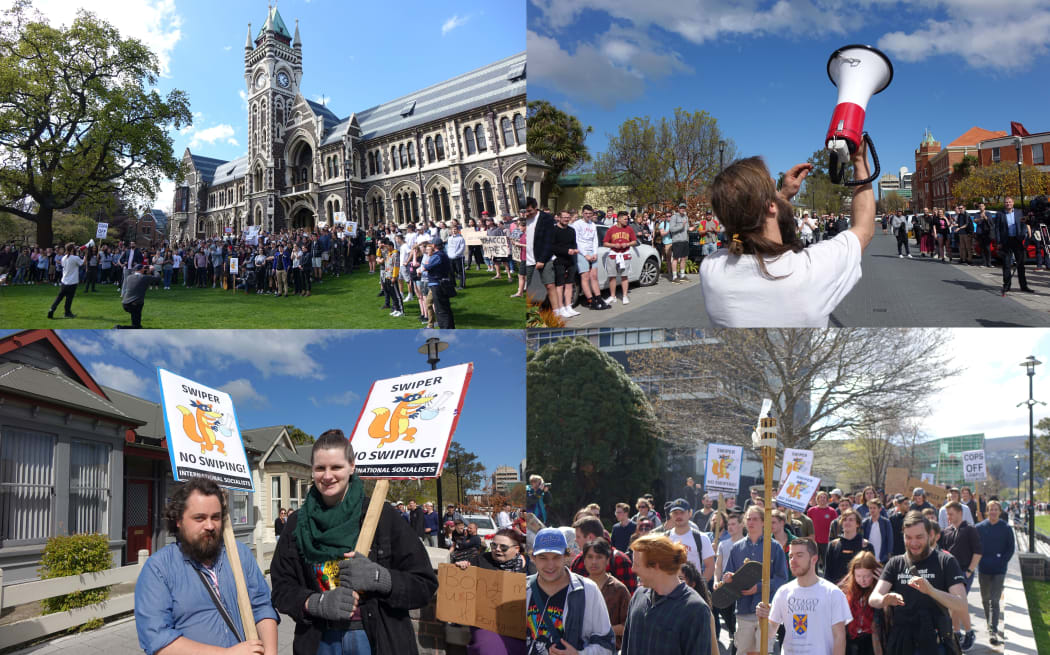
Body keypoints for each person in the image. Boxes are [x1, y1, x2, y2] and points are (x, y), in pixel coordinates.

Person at [269, 429, 438, 655]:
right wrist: (315, 603)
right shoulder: (296, 524)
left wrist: (381, 578)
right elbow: (281, 589)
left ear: (351, 466)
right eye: (320, 468)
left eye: (336, 467)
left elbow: (424, 583)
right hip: (320, 640)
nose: (327, 476)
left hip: (376, 638)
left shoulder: (381, 515)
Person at [700, 142, 874, 327]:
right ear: (770, 206)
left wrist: (781, 196)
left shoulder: (713, 270)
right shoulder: (809, 271)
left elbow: (750, 220)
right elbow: (864, 229)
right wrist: (860, 160)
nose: (776, 182)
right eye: (772, 184)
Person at [134, 477, 280, 655]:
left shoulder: (239, 555)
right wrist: (227, 654)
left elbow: (262, 606)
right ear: (178, 520)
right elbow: (159, 641)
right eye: (200, 518)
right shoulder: (158, 569)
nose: (210, 525)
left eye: (215, 517)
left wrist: (271, 652)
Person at [869, 511, 968, 655]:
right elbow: (873, 599)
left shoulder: (945, 561)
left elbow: (961, 604)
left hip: (935, 641)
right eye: (908, 537)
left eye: (919, 537)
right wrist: (884, 600)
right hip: (901, 641)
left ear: (930, 535)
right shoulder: (895, 563)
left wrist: (931, 591)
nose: (913, 543)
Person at [526, 527, 615, 655]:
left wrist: (579, 654)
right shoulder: (524, 588)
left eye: (556, 557)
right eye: (543, 558)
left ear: (567, 556)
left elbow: (607, 645)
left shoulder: (587, 590)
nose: (550, 565)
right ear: (533, 558)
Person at [621, 534, 714, 655]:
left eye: (637, 564)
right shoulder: (638, 596)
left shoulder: (695, 609)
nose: (633, 569)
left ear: (656, 566)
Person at [756, 538, 851, 655]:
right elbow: (770, 633)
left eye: (799, 555)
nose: (793, 560)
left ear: (814, 559)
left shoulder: (832, 593)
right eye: (790, 556)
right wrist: (762, 618)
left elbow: (839, 637)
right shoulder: (783, 592)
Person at [719, 506, 788, 655]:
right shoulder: (736, 548)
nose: (751, 522)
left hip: (766, 610)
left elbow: (782, 579)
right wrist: (728, 578)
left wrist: (758, 588)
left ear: (764, 522)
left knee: (762, 652)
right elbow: (728, 575)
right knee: (744, 652)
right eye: (748, 519)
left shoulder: (774, 547)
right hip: (743, 610)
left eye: (755, 519)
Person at [454, 528, 533, 655]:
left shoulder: (530, 566)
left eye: (503, 547)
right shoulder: (480, 560)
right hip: (487, 623)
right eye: (494, 545)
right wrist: (463, 568)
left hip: (521, 625)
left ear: (517, 549)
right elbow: (463, 585)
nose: (497, 549)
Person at [938, 501, 982, 649]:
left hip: (964, 572)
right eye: (947, 514)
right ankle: (957, 632)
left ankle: (969, 632)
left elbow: (978, 552)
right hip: (949, 573)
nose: (948, 517)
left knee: (959, 603)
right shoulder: (946, 531)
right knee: (953, 604)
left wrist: (969, 571)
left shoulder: (970, 530)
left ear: (960, 513)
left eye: (951, 514)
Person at [581, 538, 630, 652]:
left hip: (611, 649)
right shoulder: (577, 587)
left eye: (599, 557)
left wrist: (601, 631)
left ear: (607, 560)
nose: (594, 562)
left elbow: (627, 626)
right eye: (590, 557)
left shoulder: (619, 589)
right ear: (584, 560)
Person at [975, 500, 1014, 645]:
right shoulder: (979, 528)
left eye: (996, 509)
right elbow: (974, 546)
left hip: (999, 570)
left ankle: (993, 629)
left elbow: (1010, 548)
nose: (993, 512)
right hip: (984, 569)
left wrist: (1002, 561)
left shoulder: (1006, 528)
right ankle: (989, 623)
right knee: (985, 599)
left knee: (995, 601)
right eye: (990, 509)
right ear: (987, 511)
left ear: (1000, 511)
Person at [570, 515, 637, 593]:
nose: (575, 540)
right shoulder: (578, 561)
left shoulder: (620, 560)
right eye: (590, 557)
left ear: (590, 537)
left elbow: (630, 600)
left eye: (578, 537)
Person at [653, 498, 715, 582]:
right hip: (669, 589)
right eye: (675, 513)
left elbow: (710, 566)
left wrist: (699, 587)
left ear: (690, 513)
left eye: (682, 513)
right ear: (671, 515)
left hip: (692, 589)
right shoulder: (664, 539)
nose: (678, 516)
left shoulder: (701, 538)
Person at [838, 550, 882, 655]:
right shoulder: (847, 589)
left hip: (871, 643)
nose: (862, 580)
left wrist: (883, 584)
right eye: (858, 576)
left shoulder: (880, 591)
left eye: (866, 576)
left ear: (875, 573)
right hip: (852, 642)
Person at [824, 509, 874, 585]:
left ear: (857, 524)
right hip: (837, 590)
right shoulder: (833, 545)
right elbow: (827, 573)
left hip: (858, 589)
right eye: (844, 520)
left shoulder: (866, 546)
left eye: (851, 520)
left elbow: (871, 573)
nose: (847, 522)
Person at [994, 196, 1033, 295]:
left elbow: (1024, 225)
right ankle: (1007, 286)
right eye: (1006, 202)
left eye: (1010, 202)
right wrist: (998, 242)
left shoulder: (1019, 212)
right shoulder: (1000, 214)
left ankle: (1023, 286)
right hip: (1006, 241)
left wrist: (1023, 236)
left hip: (1017, 240)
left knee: (1021, 264)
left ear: (1013, 203)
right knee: (1007, 264)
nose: (1008, 204)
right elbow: (997, 229)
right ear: (1004, 204)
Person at [602, 212, 637, 305]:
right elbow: (605, 243)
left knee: (624, 276)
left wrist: (628, 244)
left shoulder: (629, 229)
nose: (627, 221)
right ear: (619, 219)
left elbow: (634, 241)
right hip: (613, 254)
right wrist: (614, 245)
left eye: (627, 219)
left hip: (625, 254)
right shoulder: (611, 230)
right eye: (625, 219)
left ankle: (625, 296)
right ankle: (612, 296)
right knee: (612, 276)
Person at [116, 264, 163, 329]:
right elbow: (158, 278)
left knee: (136, 321)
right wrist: (153, 270)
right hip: (135, 304)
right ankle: (119, 328)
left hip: (125, 303)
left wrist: (145, 269)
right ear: (141, 270)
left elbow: (137, 276)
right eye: (143, 268)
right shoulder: (144, 278)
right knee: (136, 327)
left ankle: (136, 326)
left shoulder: (129, 277)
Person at [47, 243, 82, 320]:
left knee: (59, 297)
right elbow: (83, 263)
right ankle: (67, 313)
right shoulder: (75, 258)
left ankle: (51, 310)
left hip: (64, 282)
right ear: (72, 249)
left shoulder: (64, 258)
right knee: (69, 299)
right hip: (72, 282)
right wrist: (86, 254)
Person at [861, 499, 893, 565]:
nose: (872, 510)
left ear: (880, 509)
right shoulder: (865, 523)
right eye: (870, 508)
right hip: (868, 557)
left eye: (874, 508)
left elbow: (890, 538)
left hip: (882, 557)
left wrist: (889, 553)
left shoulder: (886, 522)